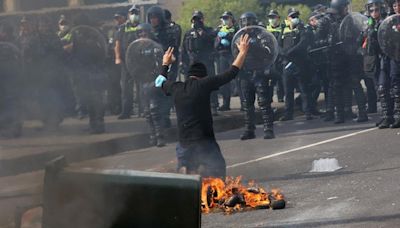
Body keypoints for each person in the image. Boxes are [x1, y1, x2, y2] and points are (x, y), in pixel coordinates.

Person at [155, 34, 250, 178]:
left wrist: (165, 63)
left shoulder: (176, 88)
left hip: (184, 144)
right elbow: (231, 73)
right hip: (204, 143)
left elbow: (159, 82)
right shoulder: (204, 84)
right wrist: (242, 52)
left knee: (185, 177)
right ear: (203, 76)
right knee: (217, 172)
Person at [237, 12, 276, 140]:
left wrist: (255, 46)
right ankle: (249, 130)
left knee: (264, 102)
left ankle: (268, 128)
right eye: (244, 22)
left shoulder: (262, 35)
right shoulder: (239, 37)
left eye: (249, 22)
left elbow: (269, 52)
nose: (247, 25)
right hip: (245, 72)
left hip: (259, 72)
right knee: (247, 103)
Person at [147, 6, 180, 128]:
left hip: (169, 64)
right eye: (151, 18)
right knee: (154, 92)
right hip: (152, 66)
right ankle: (155, 120)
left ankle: (165, 117)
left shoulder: (170, 31)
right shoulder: (148, 32)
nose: (153, 20)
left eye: (155, 17)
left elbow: (174, 49)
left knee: (167, 91)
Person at [279, 8, 314, 121]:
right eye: (292, 16)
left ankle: (308, 112)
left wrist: (290, 52)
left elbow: (303, 43)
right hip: (287, 64)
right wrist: (283, 53)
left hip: (299, 63)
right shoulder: (283, 30)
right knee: (288, 91)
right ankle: (288, 113)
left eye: (296, 16)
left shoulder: (302, 29)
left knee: (304, 89)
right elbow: (278, 44)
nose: (295, 18)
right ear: (288, 18)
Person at [182, 11, 219, 116]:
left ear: (202, 20)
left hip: (206, 62)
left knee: (210, 84)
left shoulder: (209, 30)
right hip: (193, 62)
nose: (196, 22)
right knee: (193, 86)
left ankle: (213, 106)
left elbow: (214, 42)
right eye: (194, 20)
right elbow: (184, 49)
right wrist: (182, 62)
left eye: (198, 19)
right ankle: (194, 107)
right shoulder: (188, 33)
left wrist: (202, 33)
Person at [115, 5, 140, 119]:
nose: (134, 15)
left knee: (141, 87)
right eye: (132, 13)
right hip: (126, 62)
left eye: (136, 13)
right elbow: (118, 44)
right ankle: (126, 111)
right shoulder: (122, 28)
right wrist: (118, 57)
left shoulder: (143, 26)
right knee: (126, 88)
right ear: (128, 15)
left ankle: (142, 110)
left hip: (141, 61)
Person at [214, 11, 238, 111]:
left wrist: (230, 37)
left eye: (227, 18)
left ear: (232, 19)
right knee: (223, 80)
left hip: (233, 55)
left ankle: (244, 103)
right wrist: (219, 39)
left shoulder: (237, 29)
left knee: (237, 79)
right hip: (222, 56)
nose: (225, 20)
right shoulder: (219, 30)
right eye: (223, 18)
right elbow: (215, 45)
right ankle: (226, 103)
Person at [266, 10, 285, 103]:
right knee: (269, 79)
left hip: (279, 57)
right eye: (270, 17)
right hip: (269, 58)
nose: (272, 19)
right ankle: (269, 98)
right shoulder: (266, 30)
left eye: (274, 17)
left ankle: (280, 97)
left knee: (280, 78)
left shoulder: (282, 29)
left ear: (278, 18)